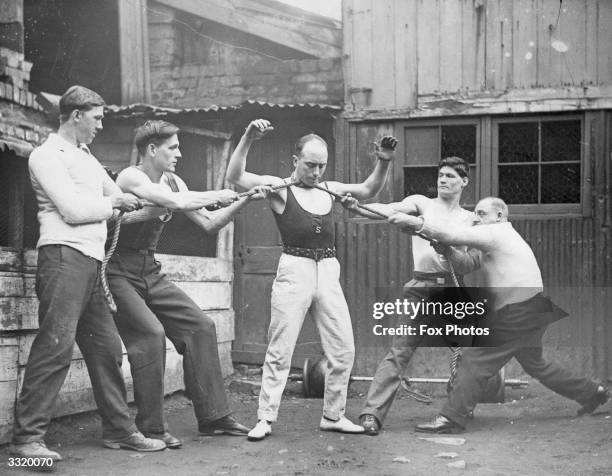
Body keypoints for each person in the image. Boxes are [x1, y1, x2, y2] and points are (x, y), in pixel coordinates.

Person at [10, 86, 166, 460]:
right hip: (63, 257)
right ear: (76, 115)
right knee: (56, 346)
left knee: (106, 348)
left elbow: (125, 202)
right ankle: (27, 438)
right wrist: (114, 203)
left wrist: (174, 202)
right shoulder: (46, 155)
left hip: (92, 263)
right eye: (96, 118)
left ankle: (118, 429)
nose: (100, 125)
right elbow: (73, 210)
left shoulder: (87, 158)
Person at [225, 118, 397, 441]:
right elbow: (235, 177)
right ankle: (265, 418)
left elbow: (370, 189)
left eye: (322, 166)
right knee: (280, 349)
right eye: (310, 165)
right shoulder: (279, 188)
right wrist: (248, 137)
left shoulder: (329, 190)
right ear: (295, 161)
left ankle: (333, 415)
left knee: (343, 348)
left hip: (328, 270)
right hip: (295, 268)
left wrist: (383, 162)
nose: (316, 173)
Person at [388, 196, 610, 433]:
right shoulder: (492, 240)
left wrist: (417, 224)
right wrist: (448, 252)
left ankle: (451, 418)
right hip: (533, 309)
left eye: (482, 213)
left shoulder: (497, 232)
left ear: (500, 216)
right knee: (537, 365)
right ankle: (592, 392)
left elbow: (451, 235)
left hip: (520, 312)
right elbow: (464, 264)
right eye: (476, 212)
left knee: (475, 359)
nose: (476, 217)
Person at [106, 120, 267, 447]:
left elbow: (209, 223)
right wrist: (221, 193)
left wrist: (243, 200)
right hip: (117, 271)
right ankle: (151, 429)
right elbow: (176, 203)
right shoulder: (130, 176)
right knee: (151, 335)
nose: (179, 153)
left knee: (201, 327)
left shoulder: (174, 181)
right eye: (173, 148)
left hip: (149, 268)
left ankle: (214, 417)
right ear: (152, 150)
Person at [343, 156, 475, 436]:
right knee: (399, 350)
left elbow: (468, 261)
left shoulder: (469, 219)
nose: (443, 179)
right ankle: (371, 414)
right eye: (441, 175)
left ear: (464, 182)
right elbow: (388, 209)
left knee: (463, 353)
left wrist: (450, 250)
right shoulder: (421, 204)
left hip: (452, 288)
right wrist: (359, 206)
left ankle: (458, 412)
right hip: (420, 287)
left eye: (451, 176)